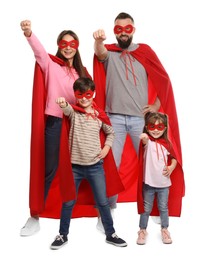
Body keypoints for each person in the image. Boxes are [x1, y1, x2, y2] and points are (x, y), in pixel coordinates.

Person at [93, 12, 185, 230]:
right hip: (114, 118)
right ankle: (107, 210)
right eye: (118, 28)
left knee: (152, 164)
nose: (123, 32)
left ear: (133, 30)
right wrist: (98, 41)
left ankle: (154, 207)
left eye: (127, 28)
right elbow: (100, 52)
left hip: (140, 120)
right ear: (114, 30)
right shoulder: (111, 53)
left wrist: (155, 105)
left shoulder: (145, 51)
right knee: (110, 165)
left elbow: (164, 81)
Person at [20, 20, 92, 237]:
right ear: (59, 46)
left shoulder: (82, 72)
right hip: (55, 122)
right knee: (49, 169)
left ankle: (99, 212)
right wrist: (29, 33)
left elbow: (89, 99)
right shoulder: (49, 64)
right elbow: (39, 51)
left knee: (86, 166)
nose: (68, 46)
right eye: (64, 43)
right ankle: (35, 215)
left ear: (77, 46)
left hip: (77, 124)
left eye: (72, 43)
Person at [51, 77, 127, 249]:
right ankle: (62, 235)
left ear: (94, 94)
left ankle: (111, 234)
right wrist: (63, 103)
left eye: (88, 94)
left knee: (103, 202)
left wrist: (107, 148)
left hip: (95, 167)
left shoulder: (99, 115)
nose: (84, 98)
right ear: (75, 95)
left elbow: (111, 132)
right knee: (68, 201)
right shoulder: (74, 112)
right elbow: (66, 109)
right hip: (75, 168)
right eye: (80, 95)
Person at [137, 112, 178, 245]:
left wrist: (171, 167)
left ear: (165, 128)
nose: (155, 130)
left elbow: (174, 159)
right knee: (146, 208)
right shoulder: (148, 142)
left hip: (164, 183)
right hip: (149, 183)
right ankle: (142, 230)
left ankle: (165, 229)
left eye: (159, 127)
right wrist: (144, 136)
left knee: (163, 207)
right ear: (147, 127)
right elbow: (144, 140)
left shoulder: (167, 144)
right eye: (152, 127)